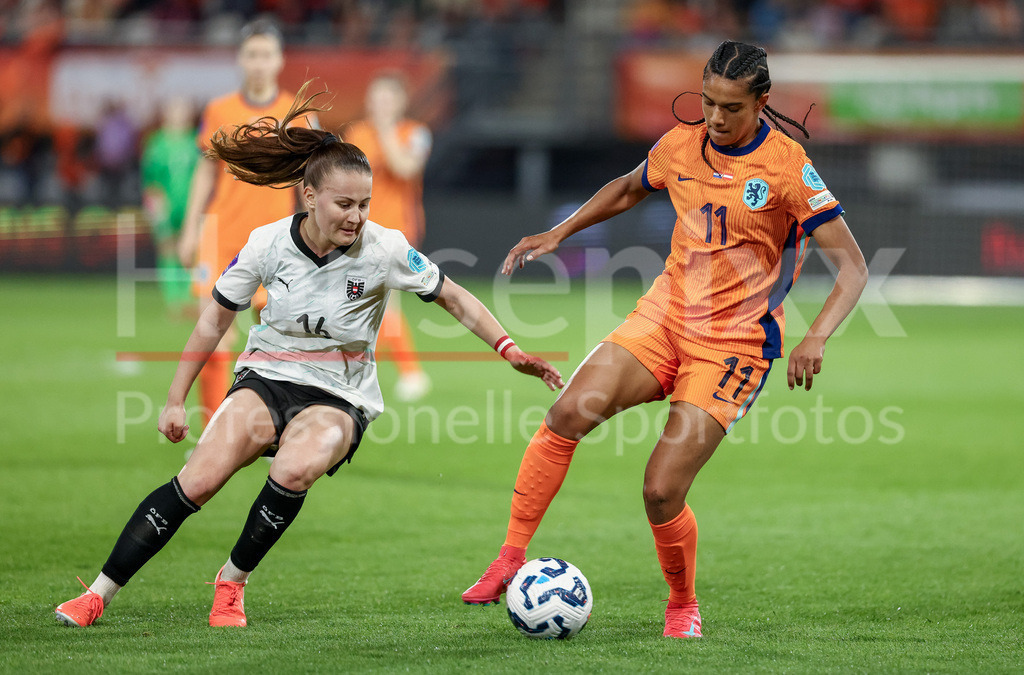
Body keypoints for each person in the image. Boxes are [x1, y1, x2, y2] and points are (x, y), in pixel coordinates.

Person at [53, 84, 564, 629]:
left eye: (364, 204)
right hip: (266, 377)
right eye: (345, 204)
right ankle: (99, 593)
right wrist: (175, 398)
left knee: (295, 468)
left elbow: (454, 296)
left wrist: (510, 349)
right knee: (198, 481)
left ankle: (231, 583)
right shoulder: (267, 243)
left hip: (341, 394)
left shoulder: (385, 248)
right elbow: (214, 319)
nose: (357, 216)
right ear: (309, 195)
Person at [461, 40, 869, 639]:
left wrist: (817, 337)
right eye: (707, 102)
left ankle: (682, 604)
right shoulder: (680, 143)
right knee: (568, 412)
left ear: (761, 102)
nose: (715, 117)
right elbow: (629, 187)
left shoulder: (786, 167)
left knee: (660, 489)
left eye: (730, 107)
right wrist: (560, 232)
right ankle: (509, 558)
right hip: (666, 316)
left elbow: (854, 268)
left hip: (734, 344)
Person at [178, 19, 304, 426]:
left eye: (266, 54)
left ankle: (273, 427)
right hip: (221, 235)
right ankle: (212, 432)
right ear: (240, 59)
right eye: (252, 54)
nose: (259, 62)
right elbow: (205, 172)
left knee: (279, 342)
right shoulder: (219, 110)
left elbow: (309, 181)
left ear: (280, 59)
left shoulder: (298, 114)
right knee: (213, 336)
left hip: (278, 243)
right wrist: (190, 227)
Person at [344, 73, 433, 402]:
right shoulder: (355, 133)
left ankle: (406, 373)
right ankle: (404, 373)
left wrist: (384, 131)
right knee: (367, 303)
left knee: (381, 302)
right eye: (375, 98)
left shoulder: (416, 133)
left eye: (387, 99)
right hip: (356, 229)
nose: (380, 105)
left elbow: (405, 168)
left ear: (400, 102)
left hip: (396, 229)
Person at [140, 96, 199, 316]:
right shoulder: (156, 143)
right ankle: (173, 299)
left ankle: (190, 298)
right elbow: (150, 179)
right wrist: (155, 206)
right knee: (168, 248)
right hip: (165, 205)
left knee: (191, 250)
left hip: (190, 205)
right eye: (175, 110)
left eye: (183, 111)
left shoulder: (196, 141)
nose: (179, 115)